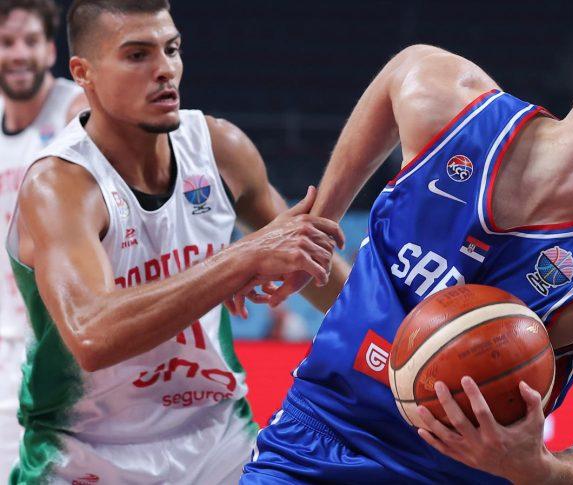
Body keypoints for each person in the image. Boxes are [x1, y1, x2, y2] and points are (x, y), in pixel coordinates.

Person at [243, 0, 573, 483]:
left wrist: (538, 470)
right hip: (313, 441)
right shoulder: (455, 112)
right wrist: (320, 221)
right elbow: (402, 69)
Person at [5, 0, 347, 483]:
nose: (165, 69)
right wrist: (241, 260)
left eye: (171, 49)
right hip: (86, 455)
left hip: (218, 441)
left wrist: (409, 341)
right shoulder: (60, 185)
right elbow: (93, 335)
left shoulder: (220, 147)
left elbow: (317, 267)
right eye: (137, 55)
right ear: (84, 74)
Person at [0, 0, 87, 477]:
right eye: (7, 42)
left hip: (59, 344)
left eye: (30, 41)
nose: (18, 53)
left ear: (51, 50)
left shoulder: (77, 110)